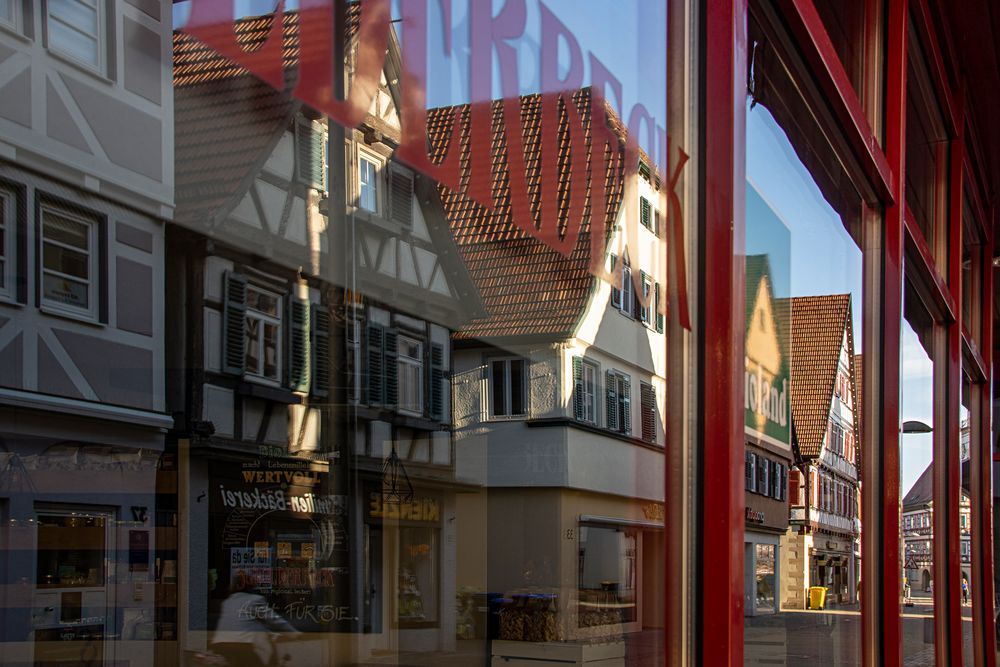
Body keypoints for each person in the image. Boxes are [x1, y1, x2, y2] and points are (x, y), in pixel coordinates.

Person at [211, 571, 298, 667]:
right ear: (251, 586)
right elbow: (274, 619)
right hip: (240, 645)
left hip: (219, 645)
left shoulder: (227, 602)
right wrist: (294, 633)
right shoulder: (254, 599)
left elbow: (242, 622)